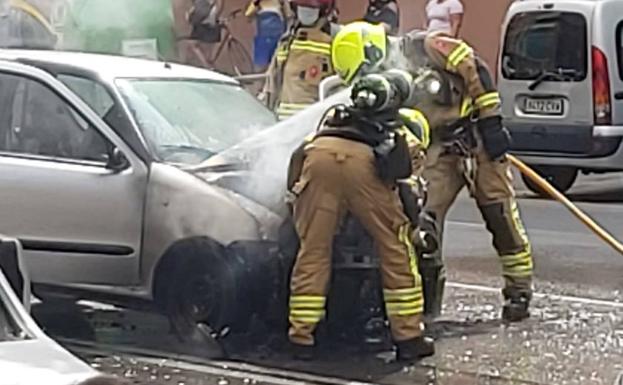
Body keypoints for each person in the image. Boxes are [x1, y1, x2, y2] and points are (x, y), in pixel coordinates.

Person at [331, 22, 534, 322]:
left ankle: (519, 291)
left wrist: (491, 122)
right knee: (423, 221)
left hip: (476, 139)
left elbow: (474, 67)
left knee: (500, 216)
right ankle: (428, 296)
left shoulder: (427, 46)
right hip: (438, 148)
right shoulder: (384, 82)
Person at [286, 68, 436, 361]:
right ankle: (408, 337)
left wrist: (294, 198)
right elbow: (408, 184)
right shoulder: (400, 131)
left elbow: (297, 159)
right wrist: (412, 223)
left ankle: (301, 337)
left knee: (313, 251)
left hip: (319, 158)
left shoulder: (332, 118)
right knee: (396, 250)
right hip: (364, 170)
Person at [262, 0, 335, 120]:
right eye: (302, 6)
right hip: (283, 124)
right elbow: (271, 84)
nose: (306, 12)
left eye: (312, 7)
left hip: (314, 124)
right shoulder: (287, 41)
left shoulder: (333, 39)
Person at [245, 0, 291, 72]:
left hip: (266, 34)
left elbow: (248, 14)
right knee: (277, 60)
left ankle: (264, 76)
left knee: (263, 62)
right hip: (276, 32)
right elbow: (288, 14)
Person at [183, 0, 224, 68]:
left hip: (205, 19)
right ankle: (208, 64)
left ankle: (207, 65)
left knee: (194, 44)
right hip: (206, 18)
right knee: (201, 45)